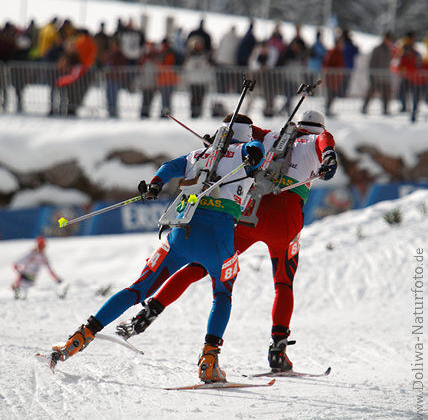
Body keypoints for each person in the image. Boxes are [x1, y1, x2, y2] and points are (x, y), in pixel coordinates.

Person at [116, 109, 337, 373]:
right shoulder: (317, 138)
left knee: (202, 265)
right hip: (284, 220)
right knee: (282, 282)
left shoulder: (272, 136)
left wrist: (218, 142)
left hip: (251, 212)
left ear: (298, 125)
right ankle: (278, 349)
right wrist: (329, 156)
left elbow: (240, 128)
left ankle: (149, 311)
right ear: (318, 128)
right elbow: (326, 143)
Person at [47, 114, 265, 382]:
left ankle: (80, 337)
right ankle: (209, 360)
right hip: (218, 239)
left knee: (137, 289)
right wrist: (253, 154)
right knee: (222, 295)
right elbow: (255, 151)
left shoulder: (201, 154)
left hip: (181, 234)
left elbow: (168, 167)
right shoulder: (245, 149)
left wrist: (155, 185)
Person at [361, 32, 395, 115]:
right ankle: (364, 107)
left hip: (385, 76)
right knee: (371, 92)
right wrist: (372, 73)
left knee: (387, 93)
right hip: (376, 75)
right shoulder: (377, 49)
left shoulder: (389, 49)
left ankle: (386, 109)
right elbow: (372, 62)